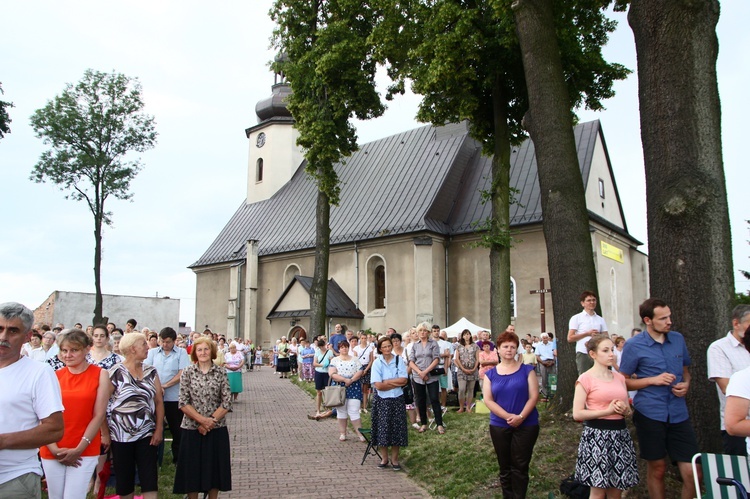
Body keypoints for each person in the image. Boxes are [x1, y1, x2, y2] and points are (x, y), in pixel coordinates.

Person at [619, 298, 699, 499]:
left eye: (669, 316)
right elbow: (623, 382)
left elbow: (685, 372)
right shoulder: (634, 345)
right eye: (663, 318)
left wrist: (686, 384)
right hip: (650, 413)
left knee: (693, 472)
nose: (669, 321)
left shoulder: (678, 339)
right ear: (648, 320)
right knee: (658, 468)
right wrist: (652, 380)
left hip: (679, 413)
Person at [0, 302, 64, 498]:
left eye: (13, 331)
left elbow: (54, 429)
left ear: (28, 336)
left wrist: (3, 441)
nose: (3, 337)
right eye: (0, 329)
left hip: (13, 479)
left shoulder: (39, 373)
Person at [40, 329, 110, 499]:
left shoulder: (100, 374)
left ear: (87, 349)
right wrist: (55, 449)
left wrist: (79, 449)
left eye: (74, 350)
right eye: (64, 350)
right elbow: (43, 415)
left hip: (84, 447)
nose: (68, 355)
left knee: (74, 496)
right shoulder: (53, 376)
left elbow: (99, 415)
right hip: (53, 446)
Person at [573, 335, 638, 498]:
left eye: (612, 350)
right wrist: (607, 411)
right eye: (605, 350)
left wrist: (625, 410)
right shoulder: (585, 379)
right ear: (593, 354)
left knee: (616, 490)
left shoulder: (619, 378)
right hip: (597, 437)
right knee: (597, 491)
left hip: (620, 436)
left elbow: (628, 411)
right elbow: (578, 413)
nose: (611, 354)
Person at [105, 332, 164, 499]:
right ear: (132, 349)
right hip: (120, 434)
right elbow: (102, 404)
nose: (147, 347)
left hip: (147, 433)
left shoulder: (151, 371)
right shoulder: (115, 372)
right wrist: (104, 433)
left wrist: (159, 429)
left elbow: (159, 401)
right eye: (143, 344)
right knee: (124, 479)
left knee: (149, 476)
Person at [483, 331, 539, 499]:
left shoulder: (527, 370)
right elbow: (488, 400)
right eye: (505, 346)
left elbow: (534, 396)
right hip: (499, 425)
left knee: (520, 465)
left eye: (512, 347)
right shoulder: (490, 374)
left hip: (526, 424)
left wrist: (520, 417)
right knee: (504, 466)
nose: (509, 350)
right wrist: (508, 416)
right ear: (498, 349)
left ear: (517, 350)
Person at [173, 337, 232, 498]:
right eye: (199, 350)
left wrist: (210, 421)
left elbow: (227, 401)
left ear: (211, 351)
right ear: (194, 353)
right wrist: (201, 420)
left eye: (206, 349)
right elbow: (183, 402)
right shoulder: (188, 372)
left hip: (216, 428)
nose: (203, 353)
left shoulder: (220, 372)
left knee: (215, 469)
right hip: (192, 428)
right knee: (191, 470)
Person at [707, 304, 750, 455]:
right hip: (737, 425)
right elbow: (727, 387)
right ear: (736, 323)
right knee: (741, 475)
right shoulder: (719, 348)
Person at [144, 326, 189, 464]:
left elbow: (182, 373)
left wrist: (164, 386)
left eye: (168, 342)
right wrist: (156, 388)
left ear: (174, 341)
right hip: (154, 396)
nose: (165, 344)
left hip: (173, 397)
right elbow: (147, 371)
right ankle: (153, 457)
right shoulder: (152, 353)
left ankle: (178, 459)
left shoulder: (181, 353)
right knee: (153, 426)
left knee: (177, 429)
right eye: (162, 341)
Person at [371, 336, 409, 470]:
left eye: (389, 346)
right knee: (383, 428)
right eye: (384, 347)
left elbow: (404, 380)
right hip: (382, 399)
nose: (387, 349)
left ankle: (395, 459)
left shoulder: (399, 360)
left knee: (396, 429)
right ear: (380, 349)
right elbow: (378, 385)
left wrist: (387, 381)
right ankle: (384, 458)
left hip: (397, 398)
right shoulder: (377, 363)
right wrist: (394, 382)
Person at [408, 322, 445, 434]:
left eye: (425, 330)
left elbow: (436, 359)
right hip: (418, 377)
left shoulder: (433, 344)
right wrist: (420, 372)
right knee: (421, 400)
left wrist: (425, 372)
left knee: (434, 399)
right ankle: (424, 423)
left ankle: (439, 424)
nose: (422, 333)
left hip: (431, 376)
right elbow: (411, 361)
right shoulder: (415, 345)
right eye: (420, 331)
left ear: (428, 332)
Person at [329, 340, 365, 441]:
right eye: (342, 347)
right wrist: (344, 380)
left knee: (354, 410)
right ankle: (342, 433)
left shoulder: (355, 359)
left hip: (354, 386)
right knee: (341, 411)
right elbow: (332, 373)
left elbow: (360, 371)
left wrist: (352, 380)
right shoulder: (335, 360)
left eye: (346, 347)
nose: (344, 349)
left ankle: (360, 434)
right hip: (339, 387)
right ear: (339, 349)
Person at [567, 291, 609, 375]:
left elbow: (606, 336)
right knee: (584, 376)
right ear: (583, 303)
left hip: (597, 352)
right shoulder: (576, 318)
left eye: (594, 300)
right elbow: (570, 338)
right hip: (583, 352)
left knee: (599, 376)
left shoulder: (600, 319)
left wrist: (598, 336)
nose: (592, 302)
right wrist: (587, 334)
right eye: (589, 300)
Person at [454, 329, 479, 413]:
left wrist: (474, 368)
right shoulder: (459, 346)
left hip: (473, 370)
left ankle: (468, 407)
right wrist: (463, 368)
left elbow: (477, 359)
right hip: (462, 370)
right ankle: (461, 407)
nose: (466, 336)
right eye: (464, 335)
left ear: (470, 335)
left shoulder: (475, 346)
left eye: (468, 334)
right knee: (461, 389)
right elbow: (457, 359)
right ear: (462, 336)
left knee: (470, 389)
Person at [313, 339, 333, 416]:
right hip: (319, 372)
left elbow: (332, 361)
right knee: (319, 392)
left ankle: (327, 408)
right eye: (320, 346)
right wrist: (322, 365)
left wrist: (330, 362)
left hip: (327, 373)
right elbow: (314, 363)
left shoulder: (329, 352)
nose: (322, 348)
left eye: (323, 346)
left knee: (327, 391)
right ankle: (318, 409)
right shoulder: (317, 352)